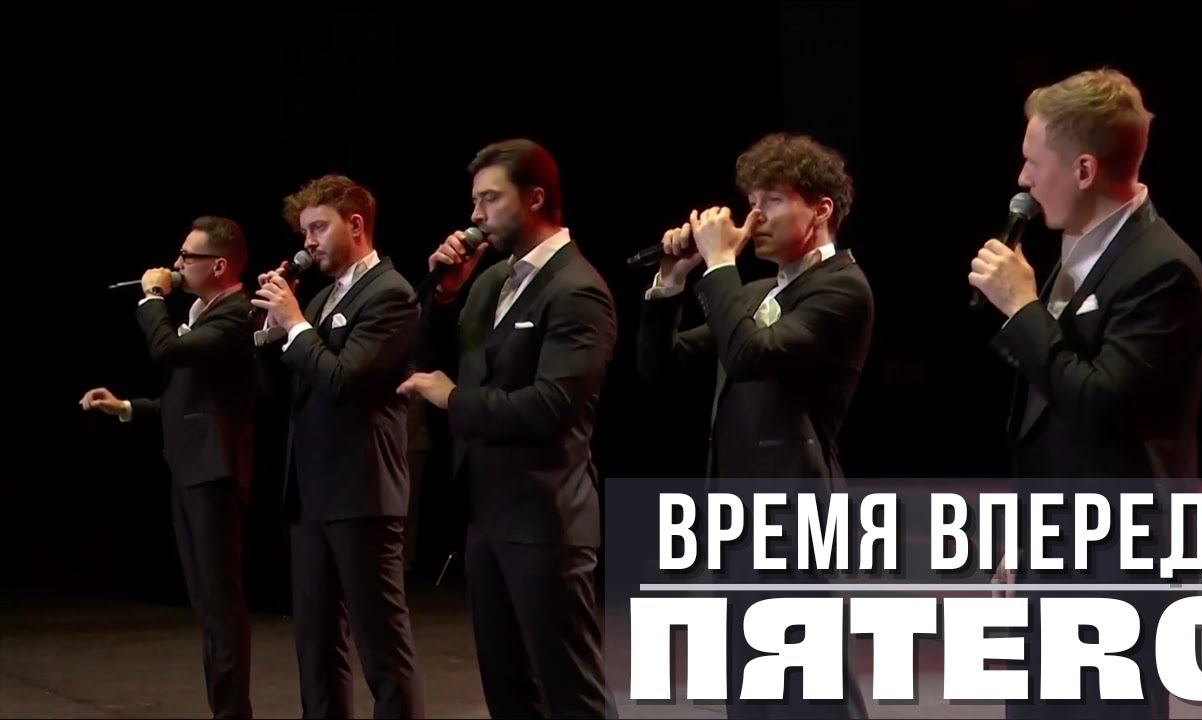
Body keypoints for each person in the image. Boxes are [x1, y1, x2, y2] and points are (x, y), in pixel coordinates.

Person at [970, 68, 1202, 719]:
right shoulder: (1078, 254)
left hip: (1117, 564)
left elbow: (1099, 404)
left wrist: (1023, 309)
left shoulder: (1161, 269)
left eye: (1033, 161)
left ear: (1083, 170)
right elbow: (1048, 409)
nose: (1022, 179)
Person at [636, 133, 873, 718]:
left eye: (773, 200)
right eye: (752, 201)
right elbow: (660, 365)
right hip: (739, 516)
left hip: (797, 515)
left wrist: (720, 264)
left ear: (820, 210)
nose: (754, 216)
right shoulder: (760, 291)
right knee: (748, 693)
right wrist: (672, 280)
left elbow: (750, 354)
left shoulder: (843, 287)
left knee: (811, 694)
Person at [401, 139, 617, 718]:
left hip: (546, 519)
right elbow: (434, 359)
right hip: (487, 514)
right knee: (507, 691)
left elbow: (551, 406)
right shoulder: (494, 279)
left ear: (535, 198)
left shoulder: (578, 289)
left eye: (490, 199)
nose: (475, 215)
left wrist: (454, 398)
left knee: (571, 693)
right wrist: (444, 295)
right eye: (475, 201)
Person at [252, 174, 425, 718]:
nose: (308, 242)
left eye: (318, 228)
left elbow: (344, 379)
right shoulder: (326, 296)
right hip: (312, 496)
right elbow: (282, 389)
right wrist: (271, 330)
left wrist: (296, 324)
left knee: (381, 648)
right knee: (316, 645)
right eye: (304, 232)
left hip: (362, 493)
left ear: (355, 225)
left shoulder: (391, 294)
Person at [81, 215, 255, 718]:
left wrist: (152, 298)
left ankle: (232, 713)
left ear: (218, 266)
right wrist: (127, 407)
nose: (176, 264)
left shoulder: (235, 315)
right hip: (190, 469)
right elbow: (188, 402)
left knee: (220, 603)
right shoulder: (205, 313)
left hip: (215, 474)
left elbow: (166, 352)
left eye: (186, 257)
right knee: (205, 602)